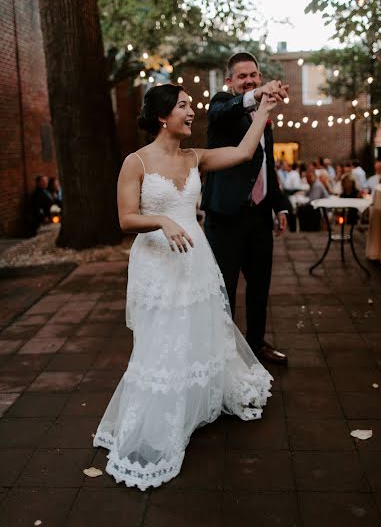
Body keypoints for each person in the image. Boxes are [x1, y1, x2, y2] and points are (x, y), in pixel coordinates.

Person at [94, 83, 285, 490]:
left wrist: (265, 109)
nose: (192, 112)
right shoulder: (137, 162)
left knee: (194, 332)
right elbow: (126, 218)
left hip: (195, 259)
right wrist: (163, 220)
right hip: (156, 263)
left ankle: (190, 408)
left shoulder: (195, 158)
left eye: (192, 106)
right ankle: (159, 420)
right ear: (163, 116)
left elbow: (243, 152)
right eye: (184, 106)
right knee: (160, 339)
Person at [201, 52, 289, 365]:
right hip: (225, 215)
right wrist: (256, 96)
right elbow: (223, 110)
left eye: (254, 75)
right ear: (230, 81)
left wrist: (280, 206)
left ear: (260, 76)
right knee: (223, 287)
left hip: (259, 216)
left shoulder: (264, 119)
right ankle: (222, 351)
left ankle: (256, 344)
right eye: (242, 76)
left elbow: (267, 165)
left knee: (260, 285)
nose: (249, 80)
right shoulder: (222, 106)